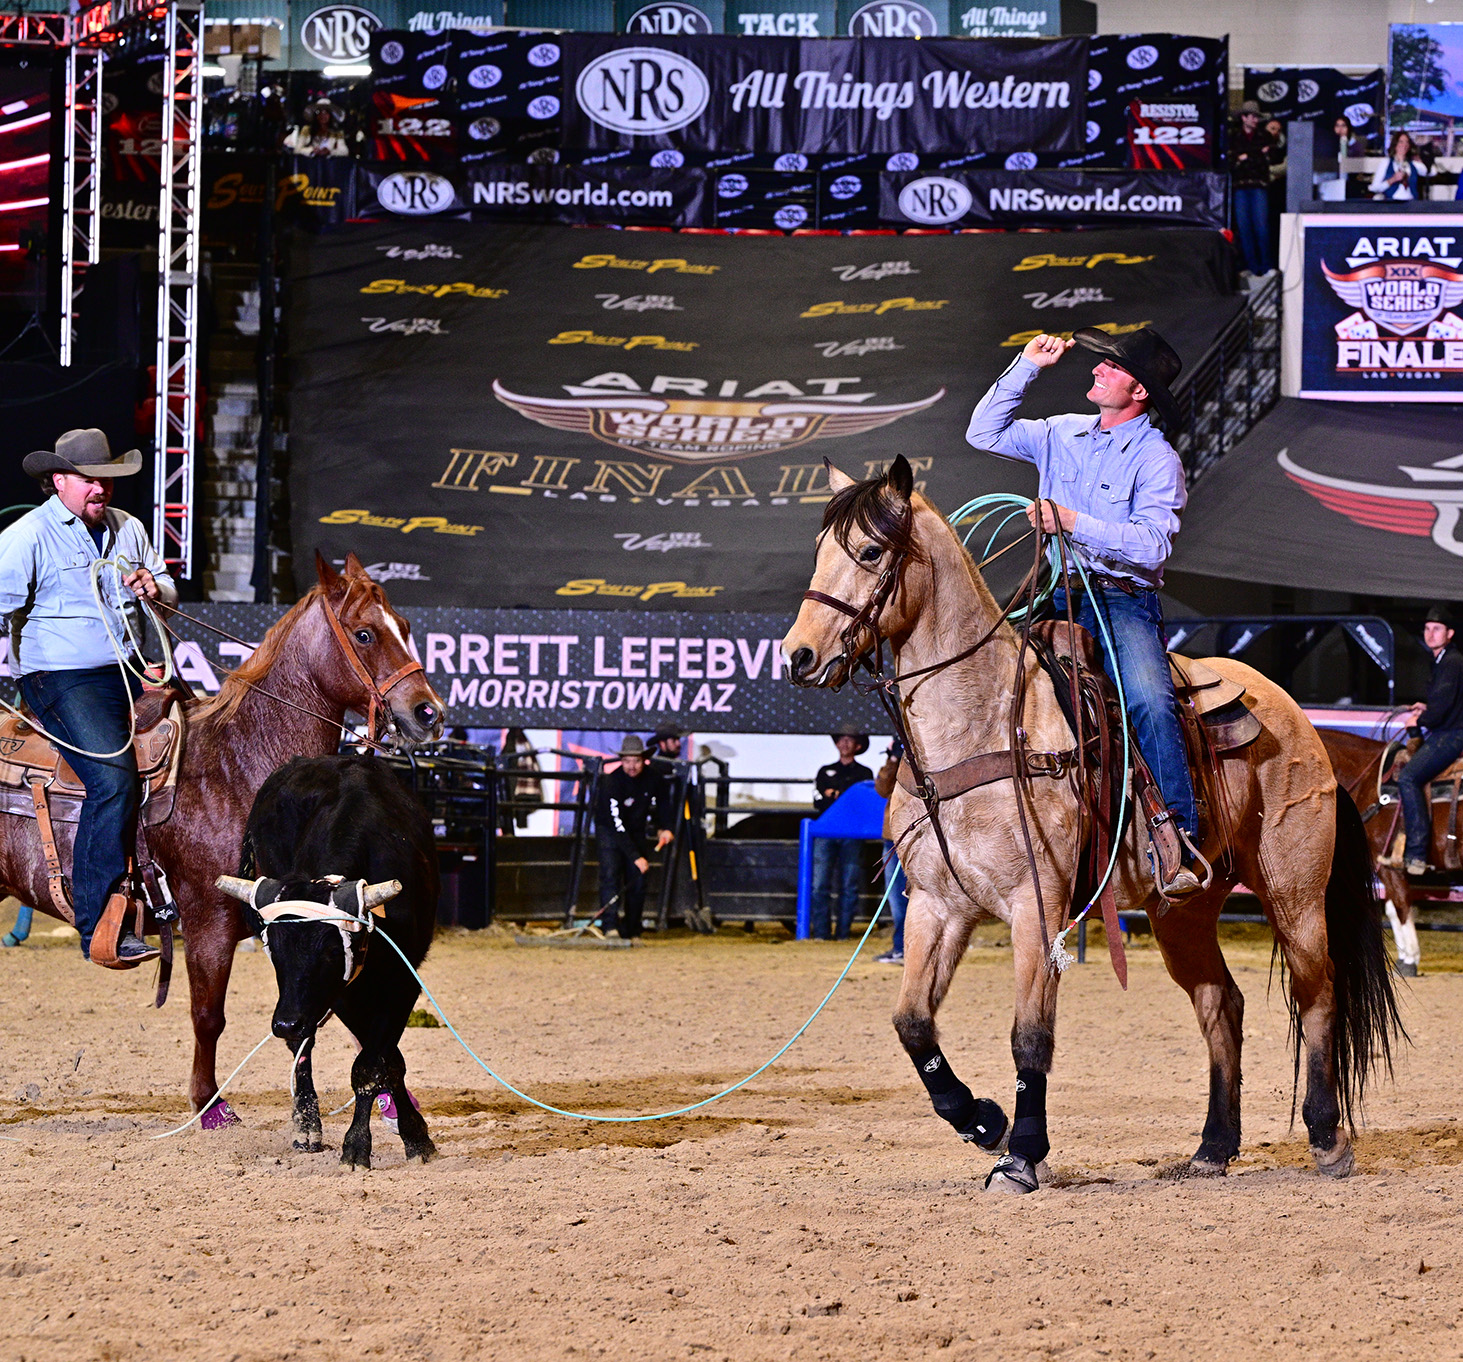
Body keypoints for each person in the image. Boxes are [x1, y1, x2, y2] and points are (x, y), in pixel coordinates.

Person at [966, 328, 1203, 897]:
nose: (1096, 370)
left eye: (1111, 367)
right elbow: (983, 432)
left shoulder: (1157, 459)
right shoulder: (1061, 433)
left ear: (1139, 389)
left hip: (1122, 598)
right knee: (979, 672)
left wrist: (1071, 521)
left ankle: (1178, 840)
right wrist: (1027, 364)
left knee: (1149, 698)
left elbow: (1153, 545)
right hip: (1055, 589)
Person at [0, 429, 177, 964]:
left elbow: (168, 593)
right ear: (59, 482)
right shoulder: (28, 535)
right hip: (62, 676)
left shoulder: (131, 530)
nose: (101, 489)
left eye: (107, 479)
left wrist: (155, 590)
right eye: (89, 480)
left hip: (127, 669)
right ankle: (99, 922)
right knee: (112, 779)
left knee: (200, 749)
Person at [1389, 608, 1463, 877]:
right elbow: (1444, 701)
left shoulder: (1452, 662)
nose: (1430, 634)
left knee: (1408, 777)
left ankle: (1417, 855)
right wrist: (1426, 707)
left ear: (1449, 634)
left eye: (1437, 629)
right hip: (1449, 730)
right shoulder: (1444, 660)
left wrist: (1419, 721)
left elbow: (1442, 709)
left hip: (1452, 735)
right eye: (1427, 629)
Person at [594, 735, 672, 938]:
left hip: (636, 830)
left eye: (636, 761)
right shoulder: (612, 783)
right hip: (611, 832)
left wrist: (665, 827)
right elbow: (615, 824)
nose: (632, 766)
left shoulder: (653, 778)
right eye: (627, 761)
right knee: (611, 875)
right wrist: (635, 856)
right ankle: (610, 926)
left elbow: (663, 803)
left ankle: (632, 928)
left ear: (644, 760)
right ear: (621, 761)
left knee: (637, 881)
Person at [809, 724, 874, 940]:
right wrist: (842, 796)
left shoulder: (864, 773)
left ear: (857, 745)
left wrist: (835, 795)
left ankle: (841, 932)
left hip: (849, 833)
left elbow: (854, 802)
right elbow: (819, 800)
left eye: (849, 739)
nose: (844, 743)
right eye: (841, 739)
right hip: (832, 832)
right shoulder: (830, 771)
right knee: (821, 885)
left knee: (847, 884)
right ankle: (823, 932)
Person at [1230, 100, 1278, 276]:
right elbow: (1231, 160)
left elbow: (1271, 156)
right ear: (1244, 118)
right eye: (1252, 116)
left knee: (1261, 227)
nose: (1255, 120)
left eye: (1256, 117)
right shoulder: (1234, 137)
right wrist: (1256, 155)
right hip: (1242, 186)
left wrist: (1246, 157)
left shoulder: (1264, 136)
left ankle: (1265, 265)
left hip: (1257, 184)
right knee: (1244, 228)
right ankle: (1250, 266)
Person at [873, 739, 909, 965]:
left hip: (913, 836)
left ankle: (905, 948)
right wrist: (893, 759)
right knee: (896, 897)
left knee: (910, 896)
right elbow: (882, 788)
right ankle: (901, 946)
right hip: (893, 837)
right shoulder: (893, 763)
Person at [1371, 130, 1428, 201]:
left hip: (1412, 203)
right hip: (1392, 204)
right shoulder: (1386, 162)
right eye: (1401, 142)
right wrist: (1392, 180)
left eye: (1407, 142)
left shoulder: (1412, 163)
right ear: (1395, 144)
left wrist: (1419, 161)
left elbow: (1429, 172)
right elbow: (1374, 187)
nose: (1404, 145)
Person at [283, 97, 347, 157]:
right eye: (319, 112)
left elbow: (345, 151)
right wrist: (312, 150)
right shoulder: (307, 130)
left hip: (329, 166)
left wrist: (329, 152)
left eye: (326, 112)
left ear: (330, 115)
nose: (322, 115)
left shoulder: (337, 132)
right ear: (315, 115)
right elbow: (297, 150)